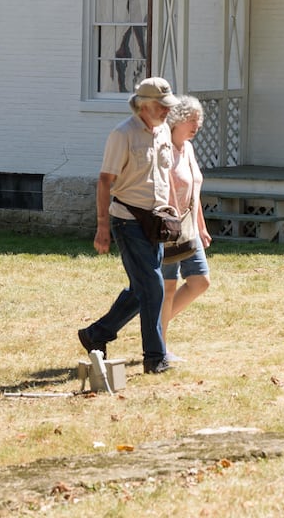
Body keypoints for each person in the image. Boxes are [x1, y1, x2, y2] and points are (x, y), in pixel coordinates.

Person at [78, 76, 179, 375]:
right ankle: (155, 357)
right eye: (162, 106)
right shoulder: (122, 135)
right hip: (129, 220)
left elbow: (165, 177)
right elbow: (105, 181)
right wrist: (102, 227)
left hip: (157, 221)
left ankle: (96, 333)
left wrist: (173, 214)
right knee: (153, 286)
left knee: (141, 289)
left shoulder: (162, 133)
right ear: (144, 105)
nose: (166, 111)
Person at [161, 96, 211, 359]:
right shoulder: (164, 149)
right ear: (177, 120)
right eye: (191, 120)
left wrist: (201, 227)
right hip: (168, 230)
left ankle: (157, 325)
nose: (196, 125)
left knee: (200, 281)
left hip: (189, 230)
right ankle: (160, 346)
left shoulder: (188, 149)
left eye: (198, 120)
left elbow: (194, 191)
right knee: (168, 288)